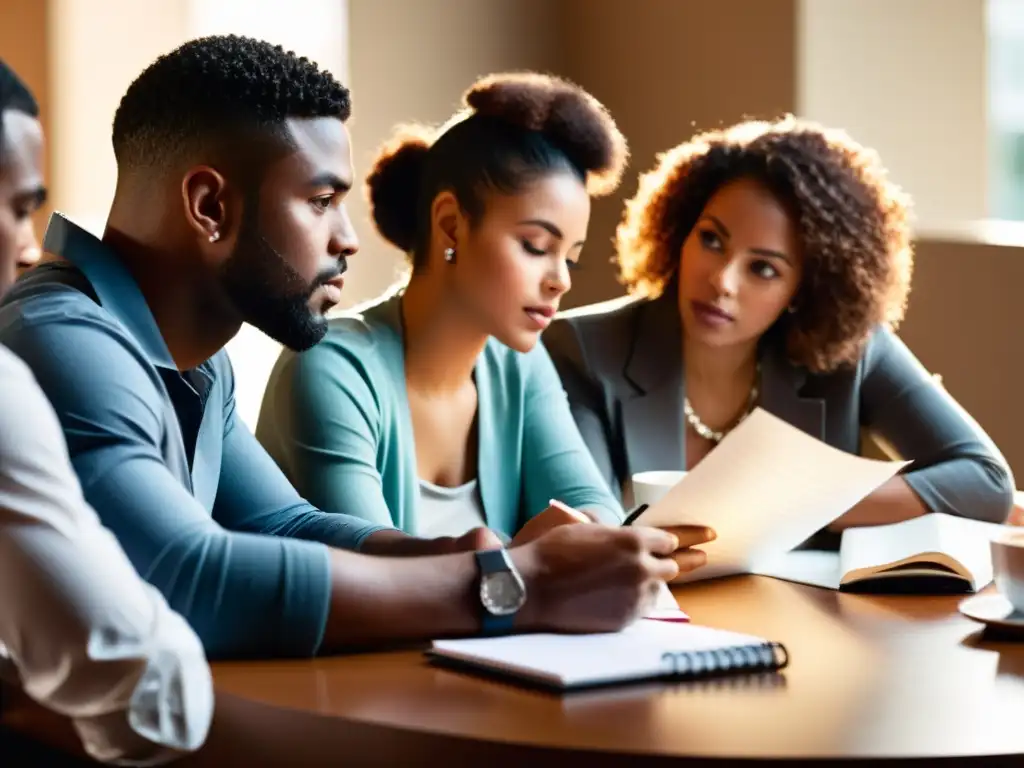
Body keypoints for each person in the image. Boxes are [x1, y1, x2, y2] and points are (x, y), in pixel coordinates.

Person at [0, 36, 712, 662]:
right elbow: (187, 580)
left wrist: (474, 554)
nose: (348, 238)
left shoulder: (193, 357)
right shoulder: (62, 339)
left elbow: (287, 524)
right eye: (319, 201)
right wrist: (516, 586)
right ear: (210, 207)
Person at [544, 116, 1016, 538]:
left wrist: (789, 504)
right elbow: (594, 525)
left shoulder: (849, 350)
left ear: (806, 288)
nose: (722, 281)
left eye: (763, 268)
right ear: (679, 231)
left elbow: (985, 482)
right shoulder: (580, 350)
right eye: (711, 240)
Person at [255, 72, 637, 544]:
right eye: (536, 246)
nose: (560, 279)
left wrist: (585, 533)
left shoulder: (520, 365)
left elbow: (596, 510)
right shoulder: (330, 370)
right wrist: (526, 557)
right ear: (451, 225)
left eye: (571, 258)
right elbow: (378, 577)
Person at [0, 58, 213, 765]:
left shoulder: (207, 366)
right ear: (207, 204)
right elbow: (152, 700)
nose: (30, 245)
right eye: (13, 207)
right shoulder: (36, 350)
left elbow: (282, 522)